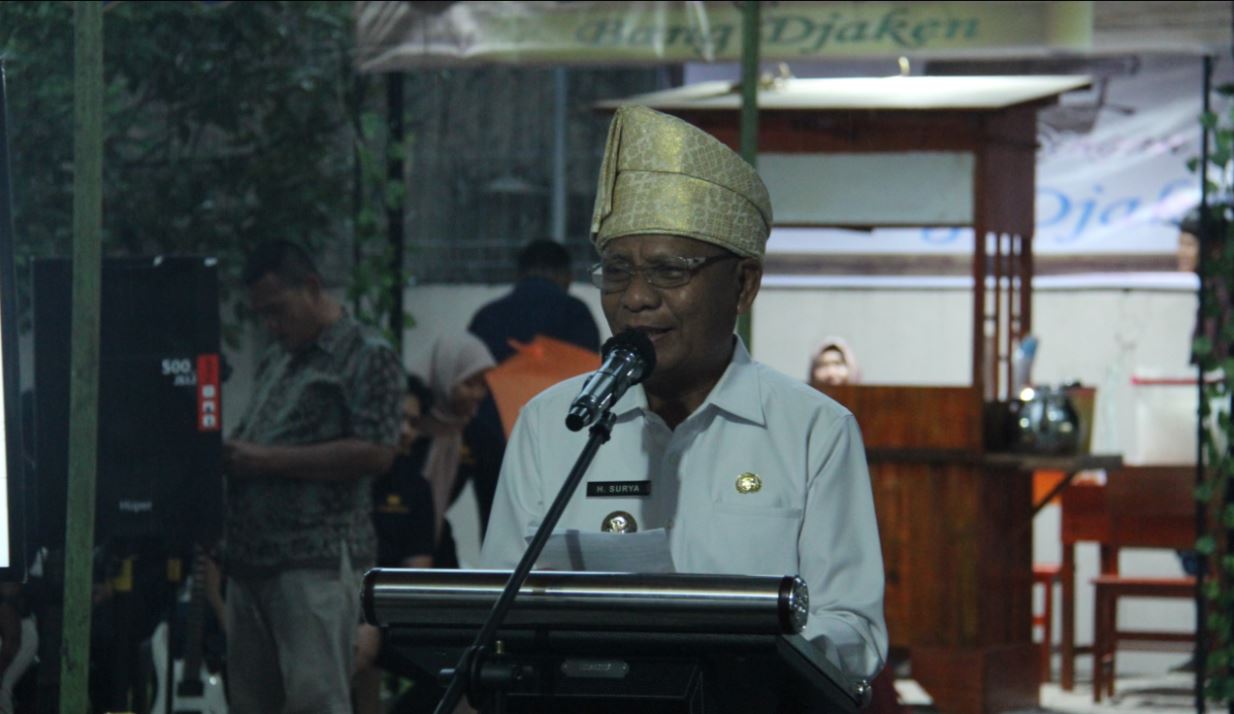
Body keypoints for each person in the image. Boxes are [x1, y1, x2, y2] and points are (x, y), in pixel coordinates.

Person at [480, 105, 888, 681]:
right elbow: (495, 610)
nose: (636, 298)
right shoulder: (553, 425)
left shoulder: (813, 431)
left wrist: (736, 651)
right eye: (616, 271)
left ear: (743, 285)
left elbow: (853, 631)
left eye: (669, 271)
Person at [223, 240, 403, 714]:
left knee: (314, 702)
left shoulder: (366, 354)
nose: (271, 324)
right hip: (251, 563)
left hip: (315, 565)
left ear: (311, 287)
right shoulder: (279, 358)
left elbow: (378, 451)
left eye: (277, 310)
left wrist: (266, 460)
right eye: (261, 314)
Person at [465, 240, 602, 535]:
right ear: (565, 276)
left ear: (519, 274)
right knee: (562, 530)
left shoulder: (487, 317)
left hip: (493, 443)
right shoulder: (575, 314)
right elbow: (592, 382)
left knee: (499, 528)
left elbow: (468, 386)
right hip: (560, 443)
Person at [354, 374, 437, 714]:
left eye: (413, 423)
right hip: (332, 606)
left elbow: (416, 575)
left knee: (460, 671)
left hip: (387, 612)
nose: (405, 431)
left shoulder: (414, 486)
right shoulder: (343, 473)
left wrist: (373, 622)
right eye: (398, 418)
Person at [418, 332, 496, 568]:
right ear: (446, 376)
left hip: (438, 549)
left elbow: (492, 507)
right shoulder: (408, 422)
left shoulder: (475, 435)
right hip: (387, 546)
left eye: (483, 385)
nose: (477, 394)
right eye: (469, 383)